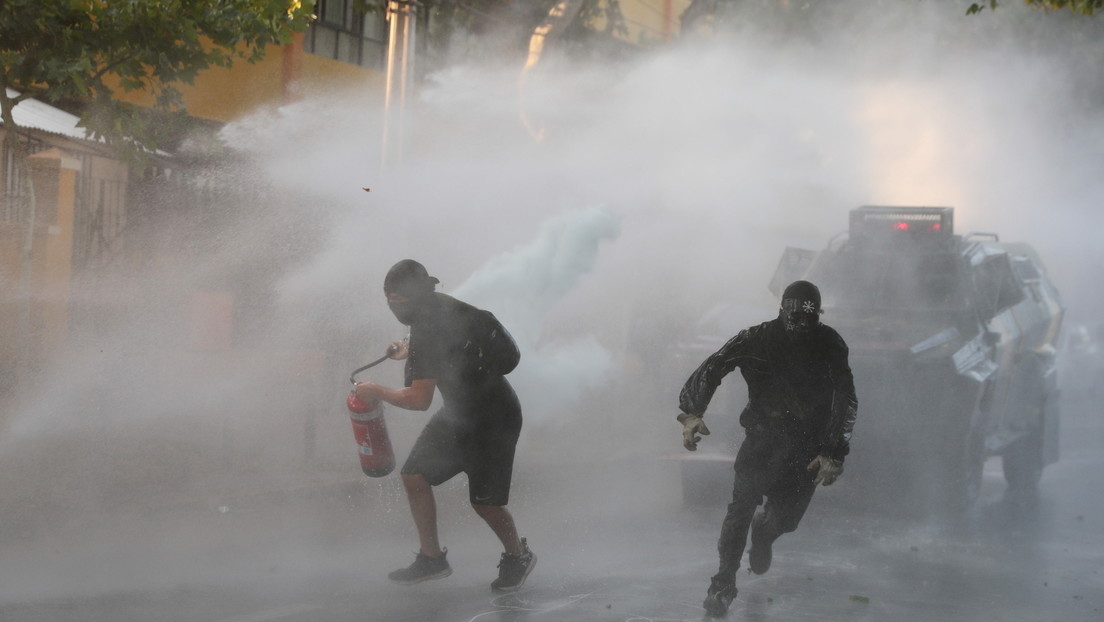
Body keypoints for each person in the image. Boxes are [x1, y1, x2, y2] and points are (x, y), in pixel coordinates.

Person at [676, 280, 857, 617]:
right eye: (794, 315)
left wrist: (834, 451)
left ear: (818, 314)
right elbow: (715, 366)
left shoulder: (830, 343)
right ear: (782, 309)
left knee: (786, 520)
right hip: (762, 441)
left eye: (808, 317)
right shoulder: (756, 338)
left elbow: (844, 397)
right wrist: (692, 412)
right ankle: (722, 583)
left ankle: (766, 532)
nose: (801, 324)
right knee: (740, 508)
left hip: (807, 448)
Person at [354, 259, 536, 592]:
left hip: (493, 419)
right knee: (414, 475)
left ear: (414, 296)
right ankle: (432, 558)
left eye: (398, 300)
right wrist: (406, 349)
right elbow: (447, 350)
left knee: (485, 503)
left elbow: (418, 399)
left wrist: (376, 391)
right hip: (459, 413)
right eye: (388, 299)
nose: (393, 305)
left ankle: (518, 554)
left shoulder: (432, 323)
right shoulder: (434, 309)